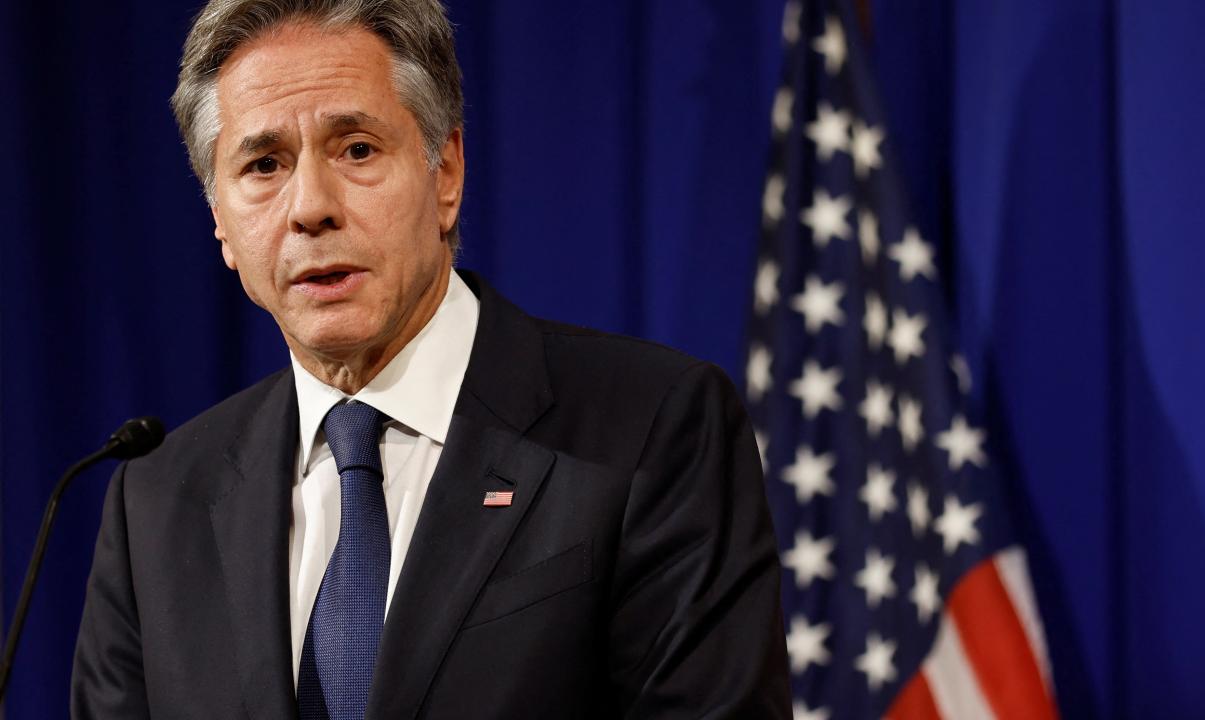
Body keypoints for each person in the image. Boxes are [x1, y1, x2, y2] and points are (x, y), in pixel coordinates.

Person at [69, 0, 791, 717]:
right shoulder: (156, 505)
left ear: (445, 172)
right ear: (221, 222)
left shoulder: (651, 428)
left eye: (357, 149)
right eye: (264, 165)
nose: (310, 207)